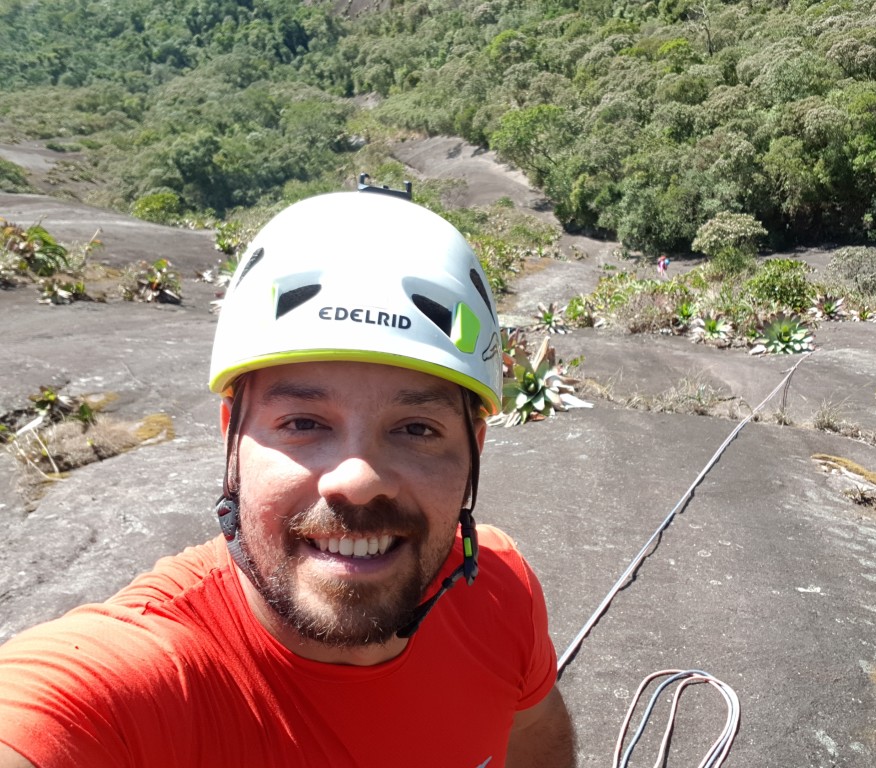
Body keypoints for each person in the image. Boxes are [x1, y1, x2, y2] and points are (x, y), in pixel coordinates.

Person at [0, 183, 576, 767]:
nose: (357, 479)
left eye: (417, 429)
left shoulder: (501, 591)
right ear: (232, 438)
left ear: (474, 449)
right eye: (303, 422)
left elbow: (535, 733)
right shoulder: (134, 681)